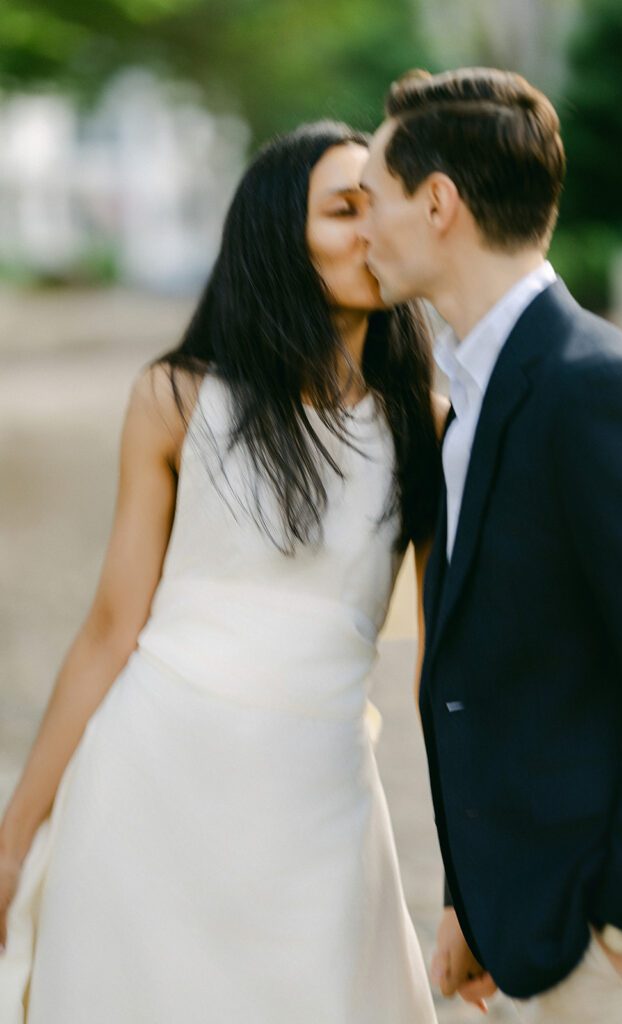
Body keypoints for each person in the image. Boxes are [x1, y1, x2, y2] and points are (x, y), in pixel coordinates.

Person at [0, 120, 444, 1023]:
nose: (371, 232)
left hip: (321, 802)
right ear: (280, 233)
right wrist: (14, 839)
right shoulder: (177, 397)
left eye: (381, 209)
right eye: (342, 210)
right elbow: (109, 629)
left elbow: (443, 665)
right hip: (148, 782)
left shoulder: (423, 425)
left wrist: (472, 880)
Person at [359, 67, 622, 1022]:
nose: (365, 228)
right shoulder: (471, 395)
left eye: (372, 200)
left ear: (437, 203)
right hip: (533, 931)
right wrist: (482, 899)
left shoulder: (593, 388)